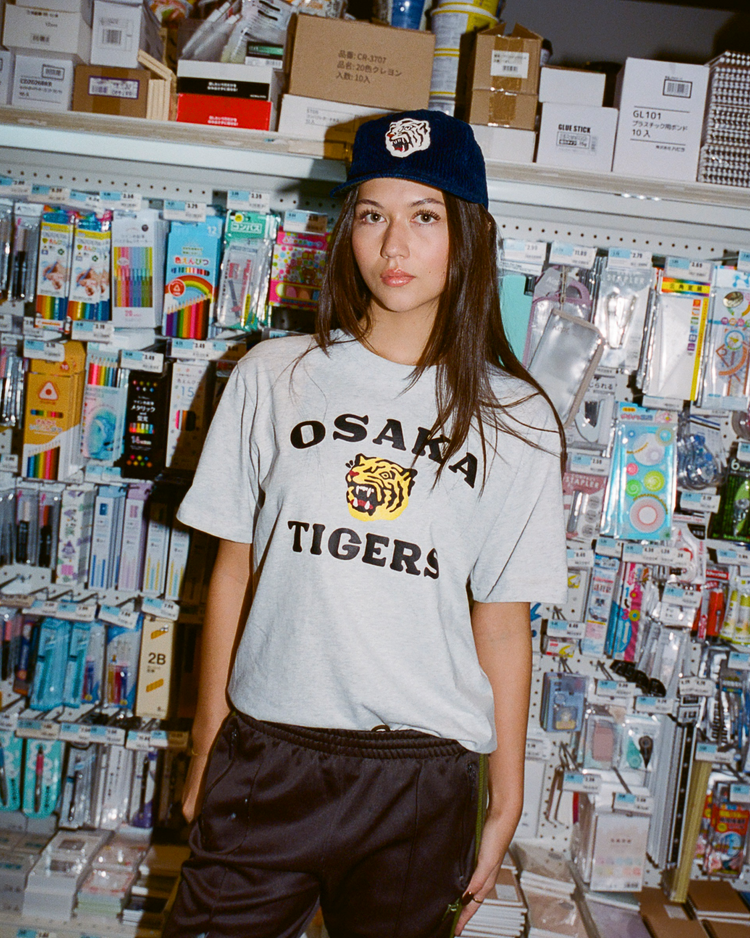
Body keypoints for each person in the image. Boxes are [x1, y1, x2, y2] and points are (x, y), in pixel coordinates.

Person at [163, 109, 567, 938]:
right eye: (374, 215)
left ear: (468, 236)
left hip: (421, 778)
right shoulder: (273, 375)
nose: (395, 245)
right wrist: (207, 742)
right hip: (269, 756)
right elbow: (232, 571)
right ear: (347, 228)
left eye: (426, 217)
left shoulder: (518, 419)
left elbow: (502, 620)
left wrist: (508, 793)